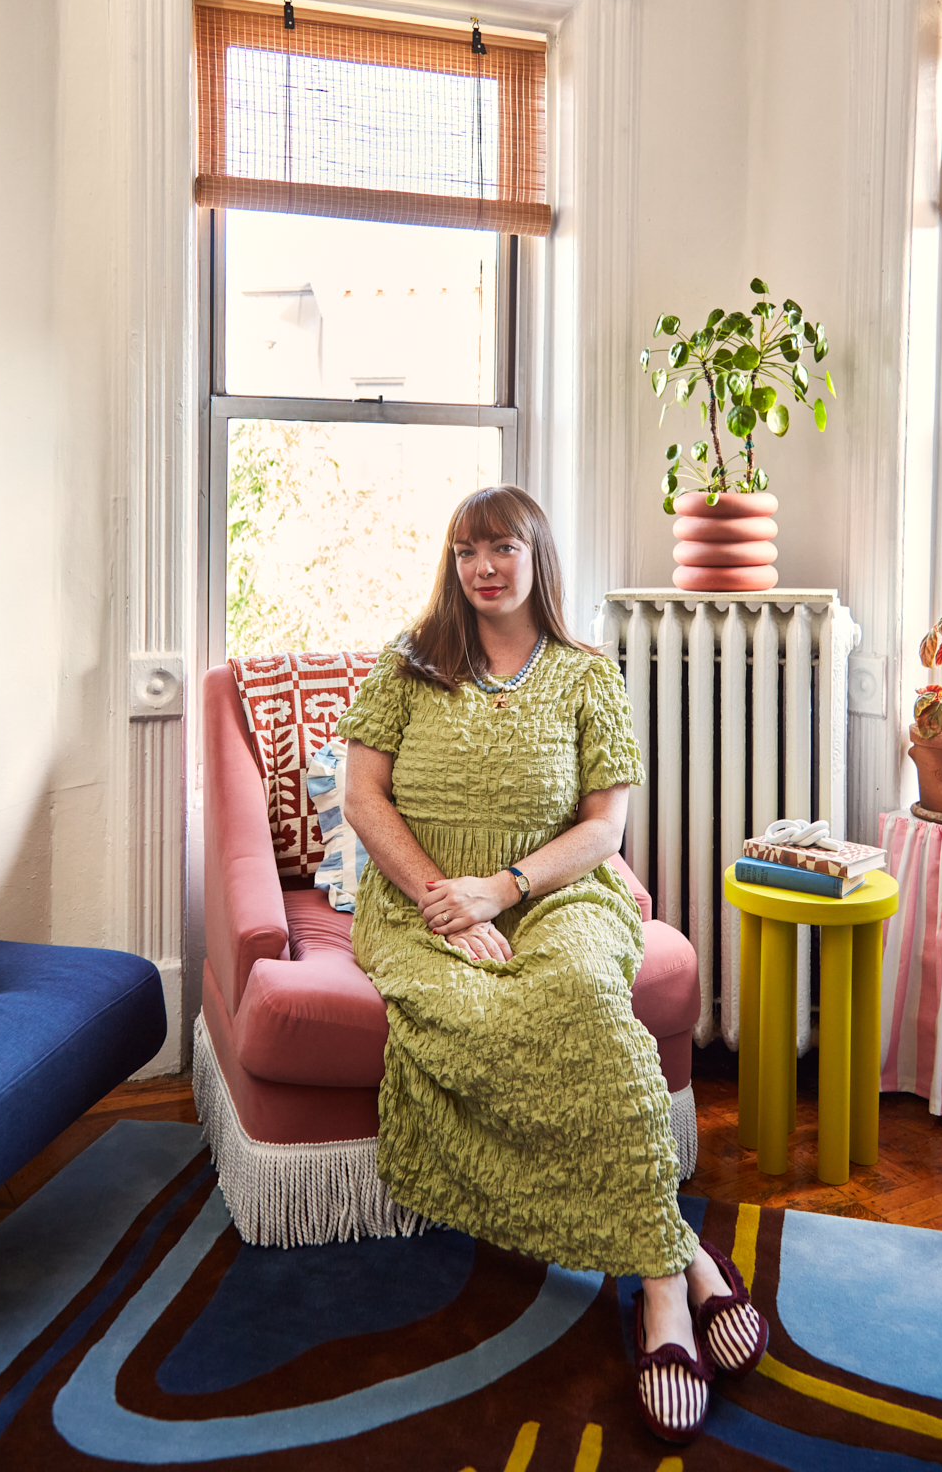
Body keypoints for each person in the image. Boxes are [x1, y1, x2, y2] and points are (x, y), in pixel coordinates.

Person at [338, 484, 766, 1444]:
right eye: (465, 552)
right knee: (484, 1017)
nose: (483, 568)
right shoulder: (407, 666)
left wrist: (505, 888)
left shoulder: (586, 674)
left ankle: (656, 1289)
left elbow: (604, 825)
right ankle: (682, 1264)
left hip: (556, 890)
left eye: (501, 548)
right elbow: (363, 797)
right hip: (423, 903)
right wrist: (445, 901)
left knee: (584, 1003)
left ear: (537, 556)